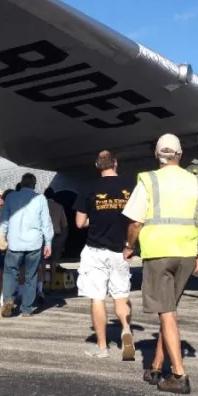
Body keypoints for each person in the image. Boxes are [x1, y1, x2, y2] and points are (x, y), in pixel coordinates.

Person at [122, 134, 198, 394]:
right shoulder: (196, 182)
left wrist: (129, 246)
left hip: (158, 252)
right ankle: (156, 367)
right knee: (168, 310)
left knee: (167, 313)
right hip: (185, 253)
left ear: (157, 156)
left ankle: (179, 375)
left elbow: (136, 222)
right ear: (180, 155)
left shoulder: (148, 180)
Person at [74, 150, 135, 360]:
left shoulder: (88, 188)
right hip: (121, 249)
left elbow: (79, 223)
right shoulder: (131, 186)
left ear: (97, 165)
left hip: (95, 251)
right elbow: (137, 221)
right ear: (115, 163)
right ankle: (126, 329)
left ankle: (102, 346)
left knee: (97, 298)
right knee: (121, 296)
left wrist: (96, 219)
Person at [0, 173, 53, 318]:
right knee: (31, 276)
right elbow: (46, 223)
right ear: (34, 184)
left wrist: (1, 239)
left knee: (10, 273)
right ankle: (27, 309)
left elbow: (4, 221)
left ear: (21, 183)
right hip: (34, 243)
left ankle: (9, 299)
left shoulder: (10, 197)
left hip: (14, 242)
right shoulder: (40, 199)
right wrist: (48, 243)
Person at [40, 187, 68, 296]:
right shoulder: (59, 207)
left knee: (43, 262)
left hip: (43, 236)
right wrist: (63, 240)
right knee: (53, 263)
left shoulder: (41, 207)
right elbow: (64, 225)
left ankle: (41, 286)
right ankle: (52, 286)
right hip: (56, 236)